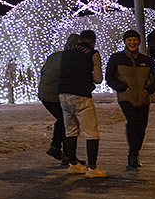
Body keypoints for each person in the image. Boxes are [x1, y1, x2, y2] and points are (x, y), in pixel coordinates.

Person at [106, 28, 155, 169]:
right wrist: (122, 88)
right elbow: (109, 77)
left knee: (142, 127)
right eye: (129, 40)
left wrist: (147, 90)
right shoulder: (116, 58)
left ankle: (135, 151)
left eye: (135, 40)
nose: (132, 43)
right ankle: (133, 154)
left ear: (139, 41)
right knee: (133, 122)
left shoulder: (146, 60)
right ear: (125, 42)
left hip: (143, 98)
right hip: (126, 97)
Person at [58, 29, 106, 177]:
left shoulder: (66, 52)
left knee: (70, 130)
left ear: (80, 40)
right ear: (93, 42)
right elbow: (98, 79)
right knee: (91, 132)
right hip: (81, 95)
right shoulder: (92, 53)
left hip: (63, 94)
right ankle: (92, 168)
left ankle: (73, 164)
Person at [38, 35, 79, 165]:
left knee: (62, 119)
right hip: (54, 94)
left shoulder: (55, 56)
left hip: (45, 94)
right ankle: (66, 154)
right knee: (67, 121)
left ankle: (56, 148)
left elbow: (43, 71)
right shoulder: (70, 59)